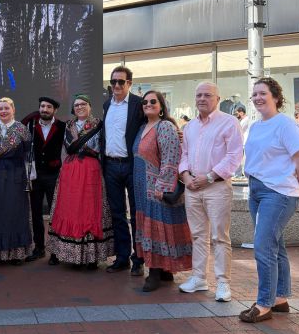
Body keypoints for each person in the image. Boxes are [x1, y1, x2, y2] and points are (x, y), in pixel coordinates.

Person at [240, 78, 299, 322]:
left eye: (263, 93)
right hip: (256, 189)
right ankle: (280, 298)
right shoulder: (256, 126)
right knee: (275, 246)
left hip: (278, 192)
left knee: (263, 246)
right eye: (255, 94)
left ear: (276, 97)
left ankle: (264, 303)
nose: (258, 97)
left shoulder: (286, 125)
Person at [178, 82, 243, 302]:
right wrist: (186, 176)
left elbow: (234, 156)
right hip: (193, 187)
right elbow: (184, 154)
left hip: (216, 186)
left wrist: (209, 177)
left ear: (217, 98)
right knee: (197, 236)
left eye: (207, 95)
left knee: (219, 237)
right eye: (199, 95)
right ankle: (199, 278)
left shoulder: (229, 122)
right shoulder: (190, 127)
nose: (202, 99)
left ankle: (223, 283)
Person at [132, 91, 192, 291]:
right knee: (153, 226)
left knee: (158, 227)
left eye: (153, 101)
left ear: (161, 106)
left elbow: (171, 158)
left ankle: (155, 272)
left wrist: (163, 185)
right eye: (145, 102)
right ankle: (166, 271)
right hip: (142, 188)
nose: (148, 104)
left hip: (156, 187)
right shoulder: (142, 127)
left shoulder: (165, 126)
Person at [48, 95, 113, 268]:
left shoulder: (99, 124)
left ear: (90, 106)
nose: (80, 107)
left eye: (83, 104)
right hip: (70, 169)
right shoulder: (68, 125)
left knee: (90, 208)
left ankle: (91, 257)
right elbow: (66, 146)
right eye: (76, 105)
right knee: (70, 207)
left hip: (91, 169)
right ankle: (71, 254)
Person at [101, 66, 145, 275]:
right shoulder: (106, 104)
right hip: (110, 166)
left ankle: (139, 259)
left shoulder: (138, 104)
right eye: (113, 82)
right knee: (117, 214)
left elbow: (154, 125)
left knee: (136, 214)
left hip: (132, 166)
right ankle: (122, 257)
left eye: (121, 81)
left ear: (129, 83)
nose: (116, 85)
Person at [0, 97, 32, 265]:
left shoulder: (22, 129)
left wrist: (29, 177)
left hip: (15, 175)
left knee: (15, 212)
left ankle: (16, 254)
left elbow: (28, 155)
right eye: (0, 109)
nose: (3, 111)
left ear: (13, 109)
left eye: (6, 108)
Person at [21, 97, 65, 261]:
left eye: (48, 107)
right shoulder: (31, 124)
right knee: (36, 212)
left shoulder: (62, 126)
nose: (44, 109)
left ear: (54, 110)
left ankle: (55, 250)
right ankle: (39, 248)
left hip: (53, 174)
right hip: (35, 175)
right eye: (42, 106)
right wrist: (29, 117)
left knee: (55, 213)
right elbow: (19, 127)